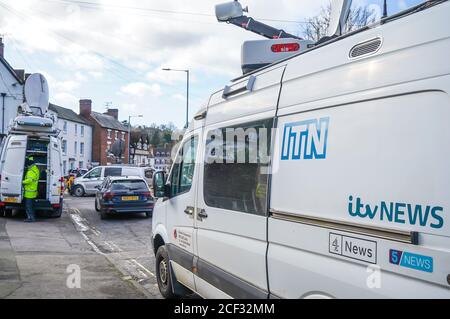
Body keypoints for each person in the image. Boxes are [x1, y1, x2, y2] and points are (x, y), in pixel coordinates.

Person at [22, 156, 40, 223]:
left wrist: (22, 182)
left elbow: (29, 180)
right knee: (31, 206)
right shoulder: (36, 169)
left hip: (29, 192)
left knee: (28, 206)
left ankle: (31, 218)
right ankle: (32, 217)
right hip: (33, 191)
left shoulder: (31, 171)